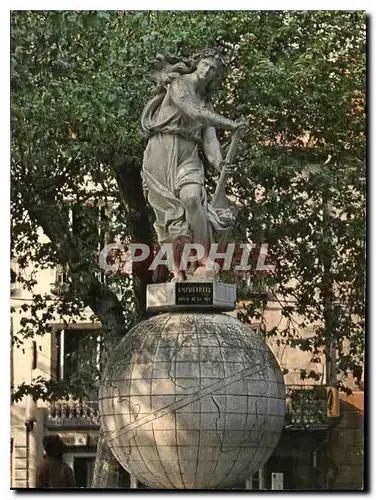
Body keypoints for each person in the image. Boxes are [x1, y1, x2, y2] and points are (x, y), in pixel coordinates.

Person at [141, 49, 248, 280]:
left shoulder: (206, 102)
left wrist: (219, 163)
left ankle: (204, 258)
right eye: (206, 64)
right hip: (162, 150)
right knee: (170, 217)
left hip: (188, 152)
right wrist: (230, 123)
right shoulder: (178, 84)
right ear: (197, 62)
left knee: (191, 198)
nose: (208, 71)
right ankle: (178, 269)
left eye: (214, 70)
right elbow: (193, 112)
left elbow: (210, 140)